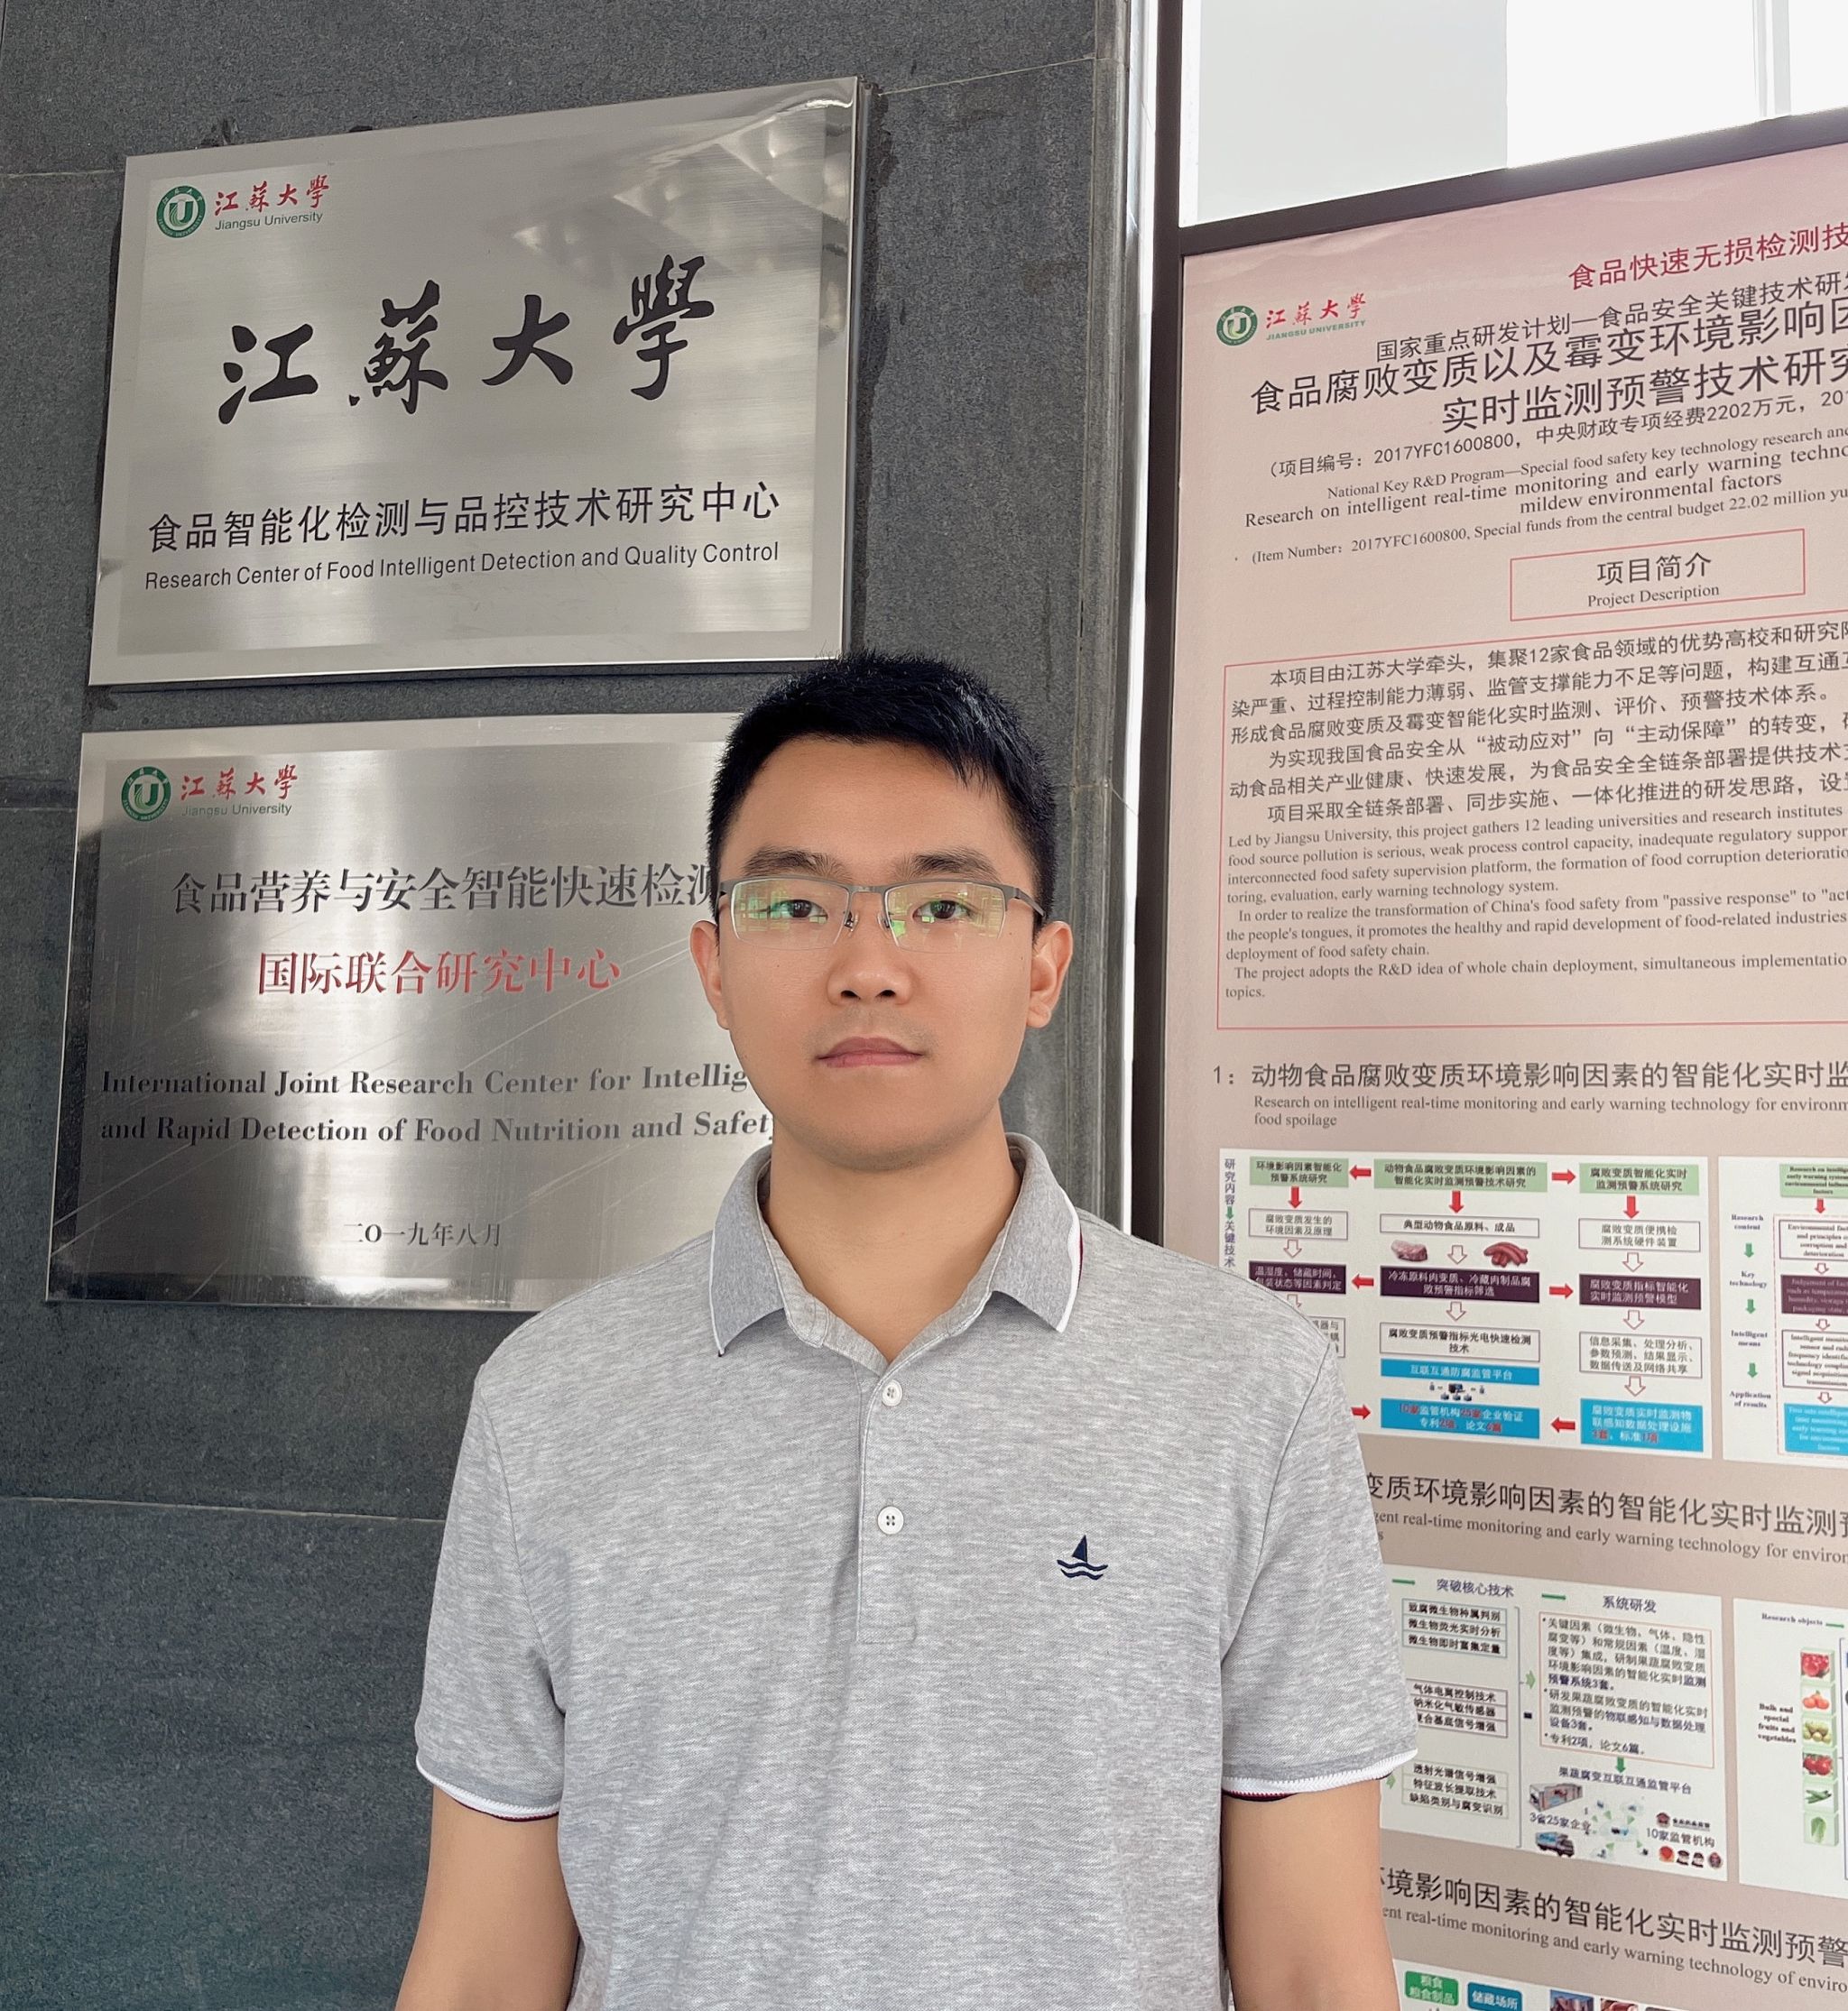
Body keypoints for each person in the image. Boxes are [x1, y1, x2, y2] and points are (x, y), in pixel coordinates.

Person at [396, 652, 1417, 2011]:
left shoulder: (1248, 1388)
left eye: (944, 903)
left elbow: (1314, 1966)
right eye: (795, 903)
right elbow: (481, 1964)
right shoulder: (550, 1402)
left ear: (1043, 966)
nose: (869, 966)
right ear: (713, 964)